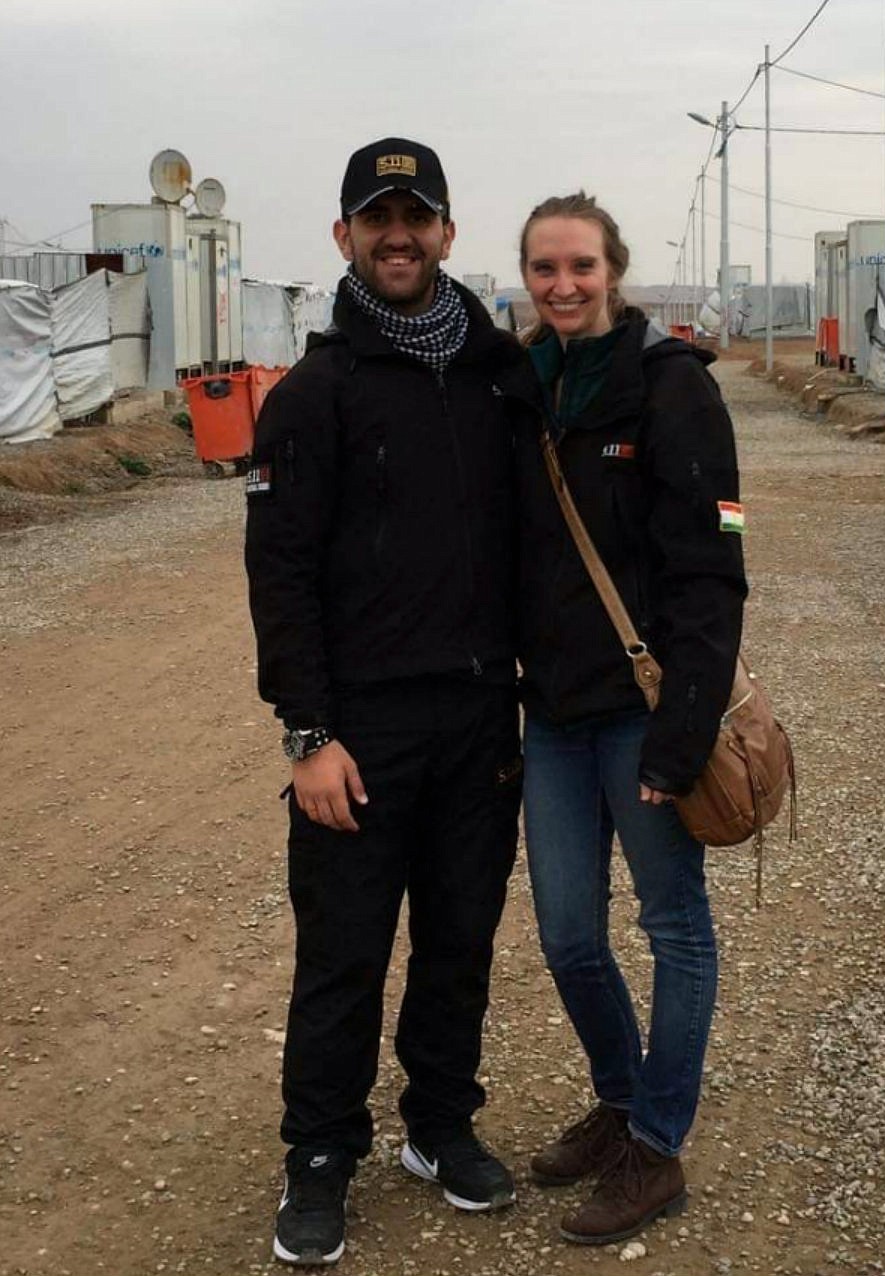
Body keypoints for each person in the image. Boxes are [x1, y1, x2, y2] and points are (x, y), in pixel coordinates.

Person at [245, 138, 525, 1267]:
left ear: (450, 233)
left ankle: (440, 1126)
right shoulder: (313, 394)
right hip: (358, 734)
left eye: (417, 217)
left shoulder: (506, 378)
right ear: (344, 237)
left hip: (479, 724)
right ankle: (318, 1158)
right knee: (344, 955)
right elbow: (281, 574)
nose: (397, 235)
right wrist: (309, 733)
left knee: (459, 941)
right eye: (377, 217)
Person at [506, 192, 748, 1245]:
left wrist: (682, 735)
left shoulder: (672, 388)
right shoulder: (521, 385)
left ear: (614, 268)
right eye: (544, 269)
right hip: (552, 716)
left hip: (641, 723)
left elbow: (711, 575)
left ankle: (655, 1145)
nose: (563, 286)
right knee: (566, 933)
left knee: (671, 927)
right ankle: (617, 1100)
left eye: (581, 267)